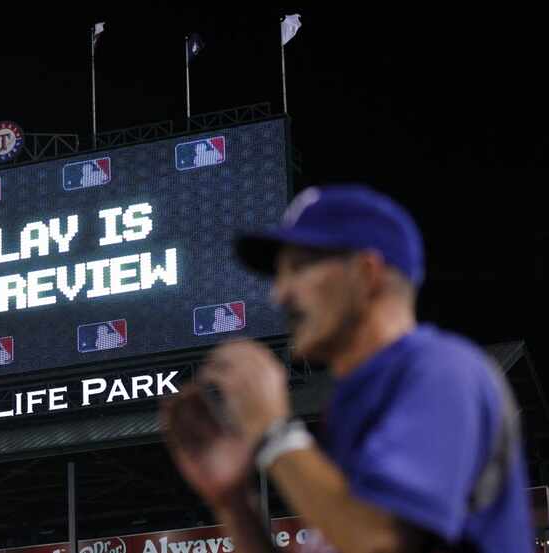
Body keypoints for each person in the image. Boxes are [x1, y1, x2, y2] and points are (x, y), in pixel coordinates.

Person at [161, 184, 531, 553]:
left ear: (367, 273)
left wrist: (273, 433)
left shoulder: (441, 370)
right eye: (279, 274)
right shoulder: (350, 408)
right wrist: (235, 506)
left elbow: (378, 539)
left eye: (301, 267)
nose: (280, 293)